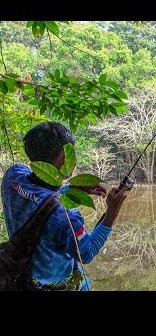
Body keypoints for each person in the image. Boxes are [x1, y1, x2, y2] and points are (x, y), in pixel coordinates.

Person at [1, 122, 128, 290]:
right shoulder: (66, 217)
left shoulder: (13, 175)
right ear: (62, 159)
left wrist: (71, 188)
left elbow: (39, 195)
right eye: (71, 153)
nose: (75, 160)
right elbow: (87, 252)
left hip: (20, 275)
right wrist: (112, 211)